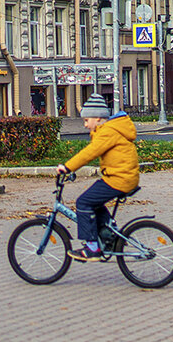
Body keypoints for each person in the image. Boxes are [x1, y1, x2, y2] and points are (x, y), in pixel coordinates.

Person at [56, 94, 139, 262]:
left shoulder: (107, 131)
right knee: (94, 201)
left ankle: (92, 247)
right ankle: (111, 233)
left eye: (87, 120)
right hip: (121, 176)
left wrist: (67, 167)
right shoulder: (111, 129)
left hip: (119, 179)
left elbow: (90, 153)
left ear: (98, 118)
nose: (86, 125)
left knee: (83, 202)